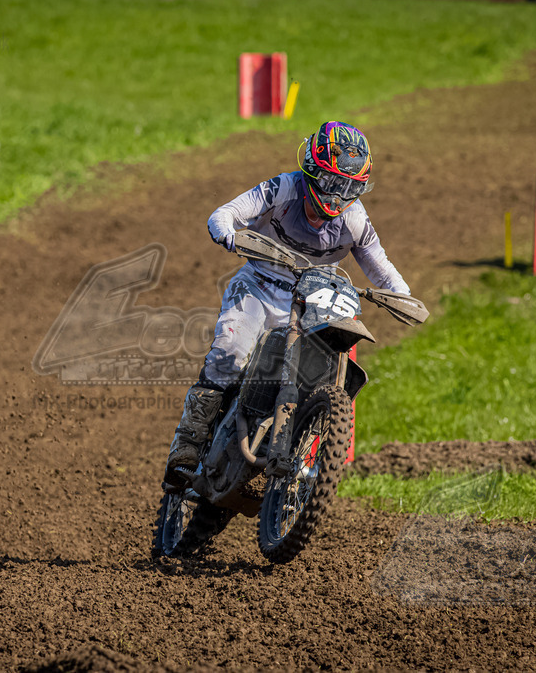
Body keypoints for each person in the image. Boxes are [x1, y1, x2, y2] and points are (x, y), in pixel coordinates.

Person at [163, 121, 411, 488]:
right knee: (228, 356)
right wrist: (229, 234)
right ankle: (187, 446)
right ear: (312, 170)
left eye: (349, 188)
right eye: (331, 184)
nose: (337, 197)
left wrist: (402, 297)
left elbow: (382, 267)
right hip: (259, 289)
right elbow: (225, 213)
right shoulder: (282, 189)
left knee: (323, 376)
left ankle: (304, 454)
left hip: (312, 301)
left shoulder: (355, 220)